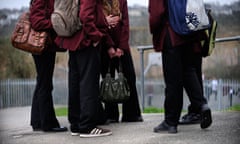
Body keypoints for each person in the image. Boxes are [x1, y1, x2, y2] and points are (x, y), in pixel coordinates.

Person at [148, 0, 212, 133]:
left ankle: (170, 122)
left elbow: (156, 13)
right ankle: (201, 104)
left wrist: (154, 29)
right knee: (188, 71)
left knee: (173, 81)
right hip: (188, 33)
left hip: (171, 34)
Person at [55, 0, 113, 137]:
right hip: (86, 41)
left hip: (74, 41)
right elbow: (86, 15)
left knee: (75, 84)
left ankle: (76, 124)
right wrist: (96, 36)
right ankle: (87, 126)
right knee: (89, 84)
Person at [100, 0, 143, 123]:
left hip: (122, 47)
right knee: (108, 79)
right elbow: (101, 26)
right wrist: (109, 46)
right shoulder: (99, 3)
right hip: (105, 48)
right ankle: (111, 115)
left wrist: (121, 47)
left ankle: (132, 114)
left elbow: (125, 24)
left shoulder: (121, 1)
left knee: (129, 77)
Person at [29, 0, 67, 132]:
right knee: (45, 84)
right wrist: (55, 23)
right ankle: (48, 123)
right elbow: (36, 21)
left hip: (45, 46)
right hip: (43, 47)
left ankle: (37, 121)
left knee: (41, 82)